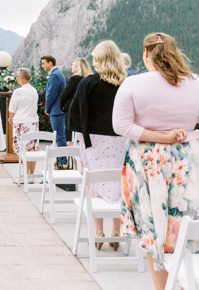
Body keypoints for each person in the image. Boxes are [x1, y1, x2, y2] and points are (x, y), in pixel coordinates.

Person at [113, 32, 199, 289]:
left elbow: (121, 125)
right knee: (190, 226)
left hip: (147, 162)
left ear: (146, 53)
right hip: (192, 161)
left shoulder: (132, 84)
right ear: (174, 51)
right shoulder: (198, 84)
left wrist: (160, 137)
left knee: (155, 229)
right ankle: (188, 283)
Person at [70, 41, 126, 249]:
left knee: (95, 181)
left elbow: (76, 112)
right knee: (119, 179)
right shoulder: (125, 83)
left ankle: (99, 230)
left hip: (94, 139)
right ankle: (116, 231)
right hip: (121, 138)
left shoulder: (88, 83)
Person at [8, 68, 39, 182]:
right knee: (32, 150)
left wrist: (11, 118)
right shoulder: (34, 90)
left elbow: (12, 108)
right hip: (33, 122)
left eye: (17, 76)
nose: (16, 78)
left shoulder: (18, 91)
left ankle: (24, 177)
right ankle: (31, 176)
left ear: (21, 78)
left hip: (21, 122)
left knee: (23, 150)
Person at [41, 55, 67, 167]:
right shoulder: (57, 74)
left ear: (50, 63)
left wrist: (47, 108)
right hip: (58, 110)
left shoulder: (55, 75)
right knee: (59, 137)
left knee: (59, 137)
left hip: (56, 111)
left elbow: (51, 94)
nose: (42, 66)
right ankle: (61, 162)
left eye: (44, 63)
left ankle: (63, 163)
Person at [60, 57, 92, 144]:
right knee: (80, 137)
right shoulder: (89, 79)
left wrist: (61, 106)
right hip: (84, 111)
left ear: (78, 67)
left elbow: (65, 94)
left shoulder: (75, 79)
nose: (71, 66)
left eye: (73, 64)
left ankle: (72, 157)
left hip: (72, 110)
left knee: (71, 137)